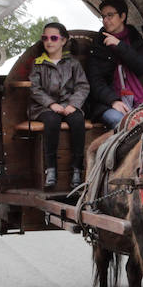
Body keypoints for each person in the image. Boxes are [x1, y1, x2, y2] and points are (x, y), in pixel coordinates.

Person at [29, 22, 90, 189]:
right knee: (52, 121)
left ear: (63, 41)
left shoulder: (72, 63)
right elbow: (35, 89)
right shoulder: (38, 63)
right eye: (45, 38)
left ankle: (77, 170)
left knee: (78, 121)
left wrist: (74, 104)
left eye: (54, 38)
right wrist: (51, 104)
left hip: (68, 105)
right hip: (44, 108)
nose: (49, 41)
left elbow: (83, 86)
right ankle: (51, 169)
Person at [87, 0, 143, 129]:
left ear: (122, 16)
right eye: (103, 16)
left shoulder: (135, 40)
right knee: (122, 121)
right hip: (107, 103)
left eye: (110, 15)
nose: (105, 20)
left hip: (138, 98)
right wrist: (113, 101)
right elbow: (95, 80)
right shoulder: (99, 44)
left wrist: (120, 46)